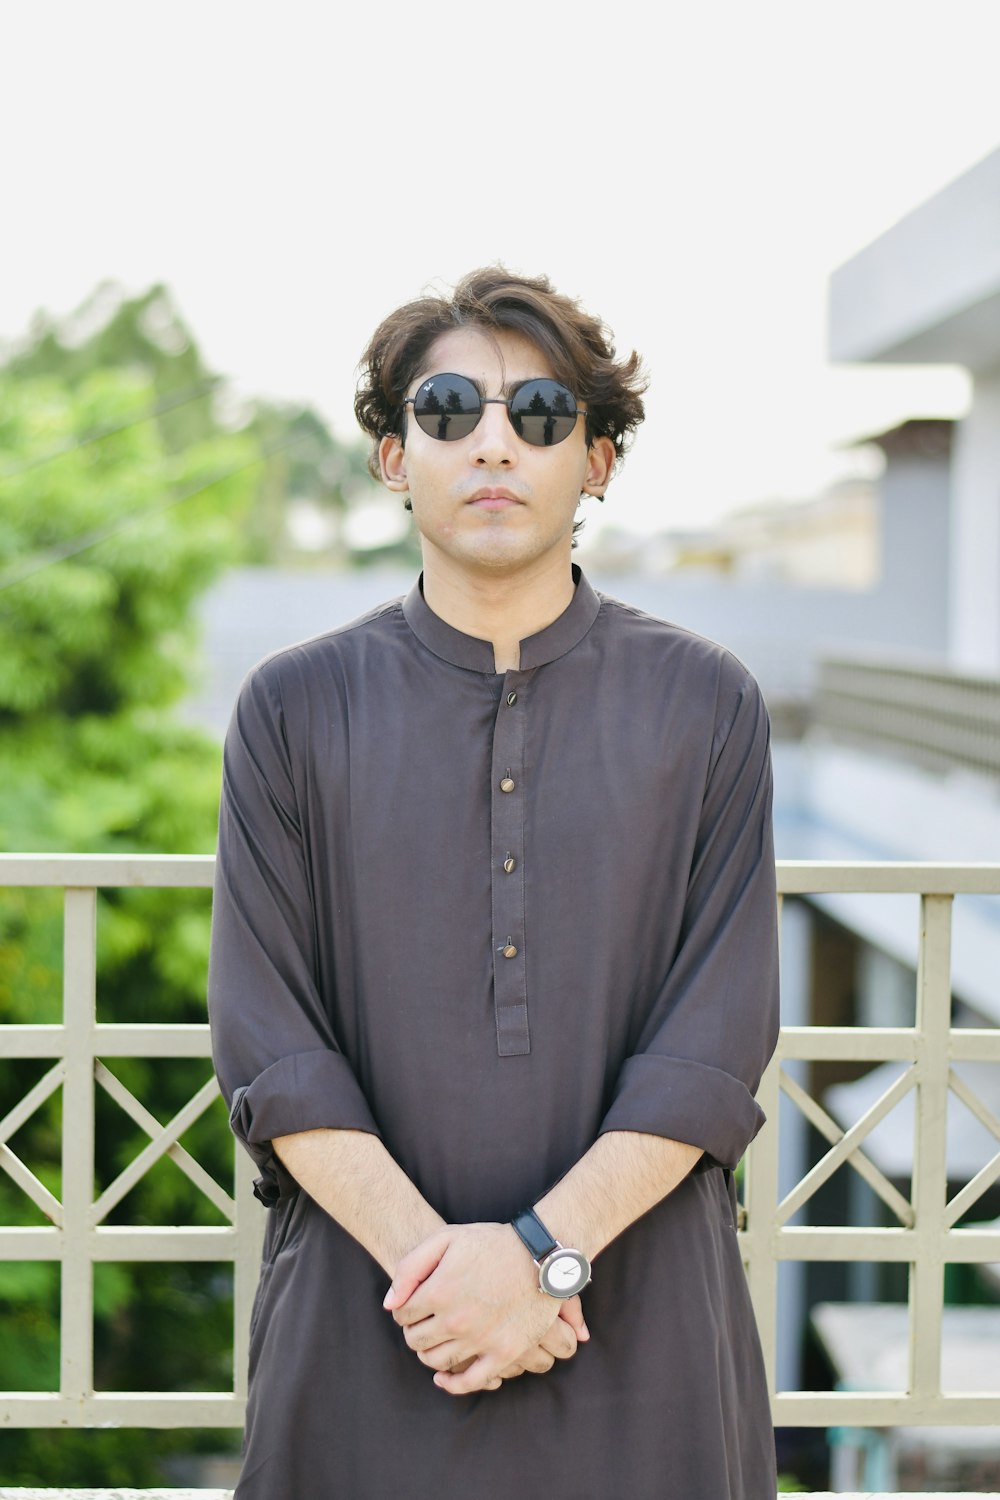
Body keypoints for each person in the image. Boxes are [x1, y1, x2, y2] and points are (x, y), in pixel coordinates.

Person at [208, 267, 780, 1499]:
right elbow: (271, 1042)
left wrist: (540, 1262)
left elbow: (714, 1036)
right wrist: (449, 1279)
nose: (491, 446)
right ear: (388, 456)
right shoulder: (293, 708)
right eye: (448, 407)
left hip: (641, 1320)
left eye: (540, 416)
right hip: (375, 1315)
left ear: (600, 460)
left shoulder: (707, 703)